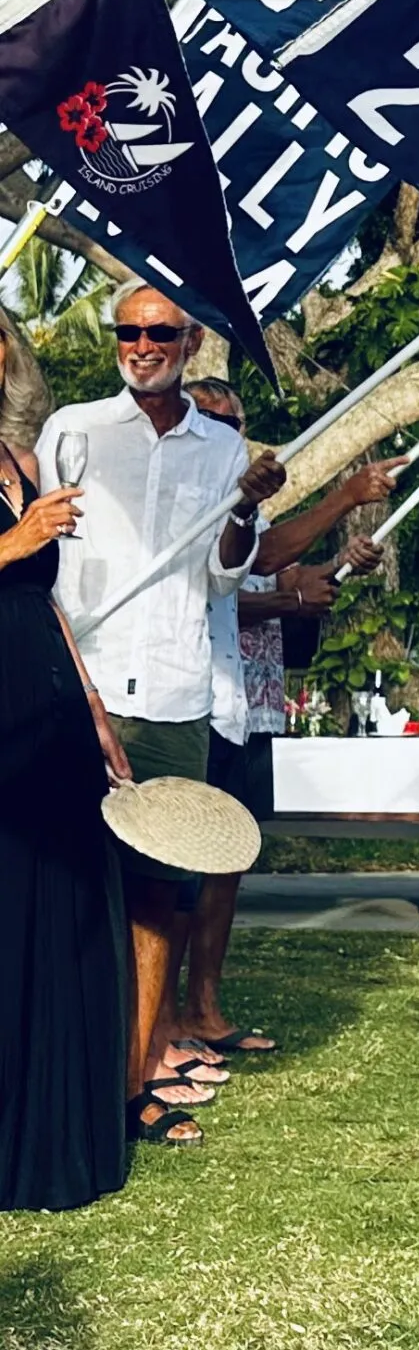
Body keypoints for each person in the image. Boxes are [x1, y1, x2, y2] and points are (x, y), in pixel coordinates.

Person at [37, 282, 283, 1148]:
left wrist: (245, 505)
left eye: (160, 333)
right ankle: (58, 1084)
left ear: (190, 344)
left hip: (175, 693)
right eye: (128, 332)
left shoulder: (224, 447)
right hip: (80, 687)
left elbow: (223, 574)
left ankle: (135, 1085)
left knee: (160, 902)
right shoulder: (72, 430)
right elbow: (41, 561)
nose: (142, 346)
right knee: (64, 893)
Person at [181, 374, 400, 1059]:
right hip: (191, 702)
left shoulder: (248, 509)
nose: (224, 434)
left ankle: (204, 1008)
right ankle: (159, 1023)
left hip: (250, 703)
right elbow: (244, 582)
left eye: (234, 424)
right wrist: (344, 498)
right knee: (179, 868)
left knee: (229, 861)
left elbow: (285, 571)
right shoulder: (184, 500)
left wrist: (338, 565)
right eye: (208, 419)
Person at [0, 305, 139, 1200]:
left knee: (67, 906)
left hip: (48, 698)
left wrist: (93, 707)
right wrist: (17, 539)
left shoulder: (22, 460)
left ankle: (59, 1137)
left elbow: (48, 602)